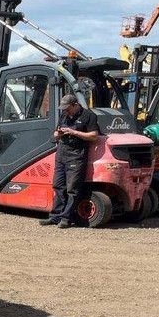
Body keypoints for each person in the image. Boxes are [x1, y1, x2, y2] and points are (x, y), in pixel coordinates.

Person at [39, 94, 100, 227]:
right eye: (64, 109)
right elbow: (55, 134)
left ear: (75, 105)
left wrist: (74, 133)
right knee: (58, 185)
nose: (65, 111)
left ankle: (66, 218)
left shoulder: (89, 116)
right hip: (61, 154)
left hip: (76, 156)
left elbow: (94, 136)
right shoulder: (64, 115)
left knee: (72, 188)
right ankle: (55, 216)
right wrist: (58, 134)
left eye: (67, 108)